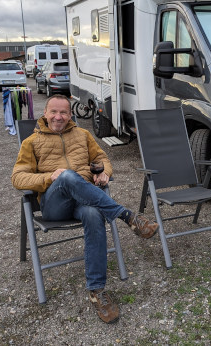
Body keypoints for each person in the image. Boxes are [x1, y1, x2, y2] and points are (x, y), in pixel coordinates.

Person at [12, 95, 158, 324]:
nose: (58, 117)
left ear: (70, 115)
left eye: (63, 113)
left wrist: (104, 173)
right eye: (54, 112)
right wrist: (49, 177)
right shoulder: (31, 142)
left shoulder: (83, 135)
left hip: (84, 201)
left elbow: (101, 158)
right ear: (45, 113)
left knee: (93, 214)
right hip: (54, 206)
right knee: (67, 176)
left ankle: (97, 290)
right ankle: (125, 215)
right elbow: (18, 177)